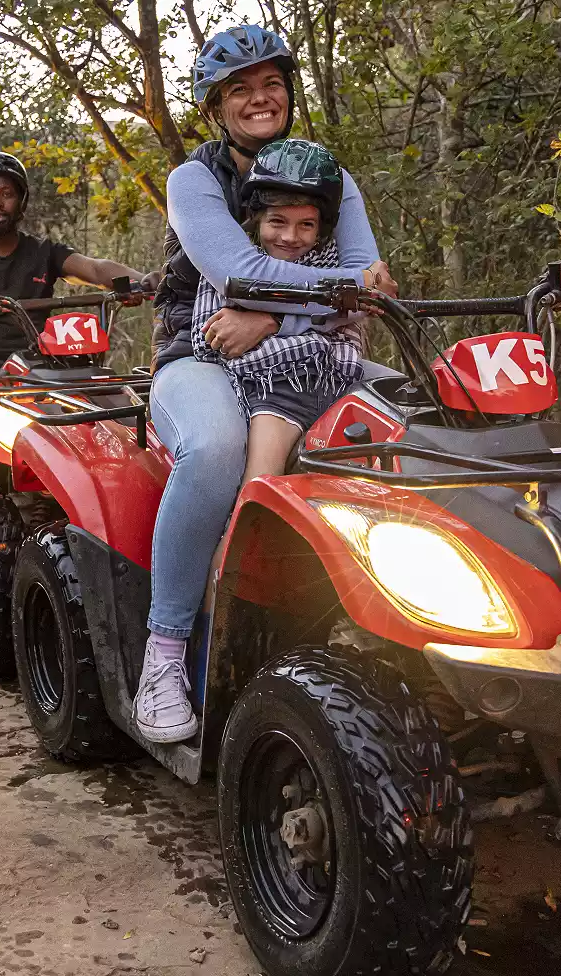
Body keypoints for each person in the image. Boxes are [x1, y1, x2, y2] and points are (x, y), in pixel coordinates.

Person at [134, 24, 399, 744]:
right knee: (218, 449)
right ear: (217, 107)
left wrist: (271, 318)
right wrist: (294, 296)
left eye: (271, 84)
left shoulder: (333, 179)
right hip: (199, 351)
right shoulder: (195, 179)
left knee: (421, 413)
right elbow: (235, 274)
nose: (260, 98)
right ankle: (163, 650)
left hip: (310, 352)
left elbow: (372, 290)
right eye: (240, 90)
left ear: (289, 92)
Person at [0, 150, 153, 563]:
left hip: (38, 361)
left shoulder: (43, 252)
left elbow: (92, 267)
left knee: (116, 401)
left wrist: (139, 281)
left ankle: (127, 502)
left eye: (5, 194)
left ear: (21, 200)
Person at [192, 139, 374, 482]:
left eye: (306, 225)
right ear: (256, 220)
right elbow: (207, 341)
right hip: (276, 389)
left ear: (321, 228)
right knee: (262, 483)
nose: (290, 236)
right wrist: (320, 316)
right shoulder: (235, 267)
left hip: (340, 380)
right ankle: (241, 533)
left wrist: (272, 321)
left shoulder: (331, 264)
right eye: (277, 221)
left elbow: (365, 300)